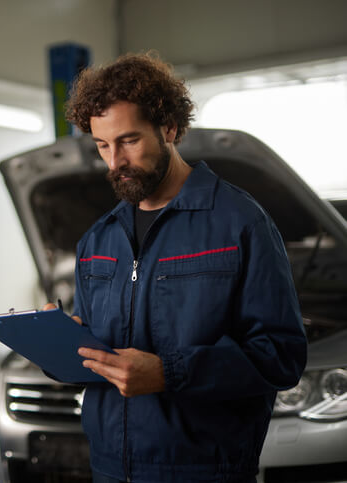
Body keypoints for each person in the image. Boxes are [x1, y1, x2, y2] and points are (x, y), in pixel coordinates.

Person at [43, 52, 308, 483]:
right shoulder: (98, 239)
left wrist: (169, 373)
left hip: (202, 470)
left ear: (169, 127)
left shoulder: (239, 223)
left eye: (129, 141)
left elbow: (281, 356)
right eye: (102, 146)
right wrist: (57, 342)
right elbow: (95, 347)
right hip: (109, 468)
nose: (114, 162)